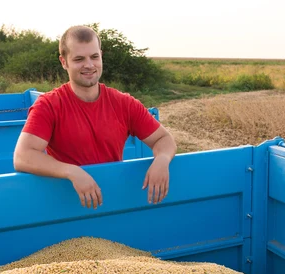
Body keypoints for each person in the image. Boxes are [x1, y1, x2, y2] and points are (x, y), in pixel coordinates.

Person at [13, 25, 177, 210]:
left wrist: (162, 160)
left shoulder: (124, 103)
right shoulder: (49, 106)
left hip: (112, 199)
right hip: (66, 202)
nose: (89, 65)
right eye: (79, 59)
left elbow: (163, 139)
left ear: (101, 55)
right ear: (64, 62)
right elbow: (23, 156)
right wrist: (72, 172)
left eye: (94, 57)